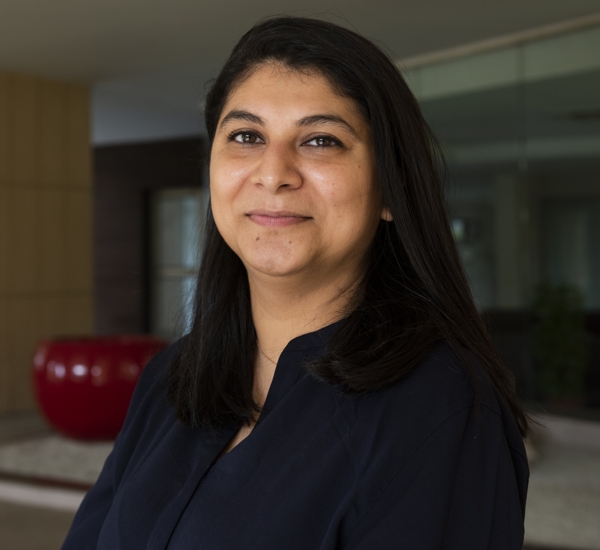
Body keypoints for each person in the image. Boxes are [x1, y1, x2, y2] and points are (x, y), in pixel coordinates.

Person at [62, 16, 529, 550]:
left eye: (321, 140)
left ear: (389, 191)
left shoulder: (443, 409)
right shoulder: (170, 379)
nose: (273, 172)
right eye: (245, 136)